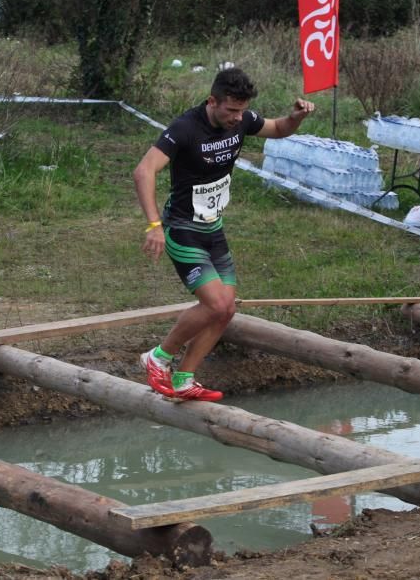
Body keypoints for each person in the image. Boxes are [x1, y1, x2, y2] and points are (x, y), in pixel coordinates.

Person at [133, 67, 315, 401]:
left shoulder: (242, 119)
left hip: (213, 229)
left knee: (227, 308)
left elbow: (278, 129)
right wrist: (153, 225)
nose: (237, 118)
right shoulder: (185, 128)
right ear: (212, 101)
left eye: (242, 111)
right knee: (215, 303)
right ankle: (158, 357)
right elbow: (144, 171)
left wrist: (296, 117)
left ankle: (184, 379)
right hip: (182, 229)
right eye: (231, 110)